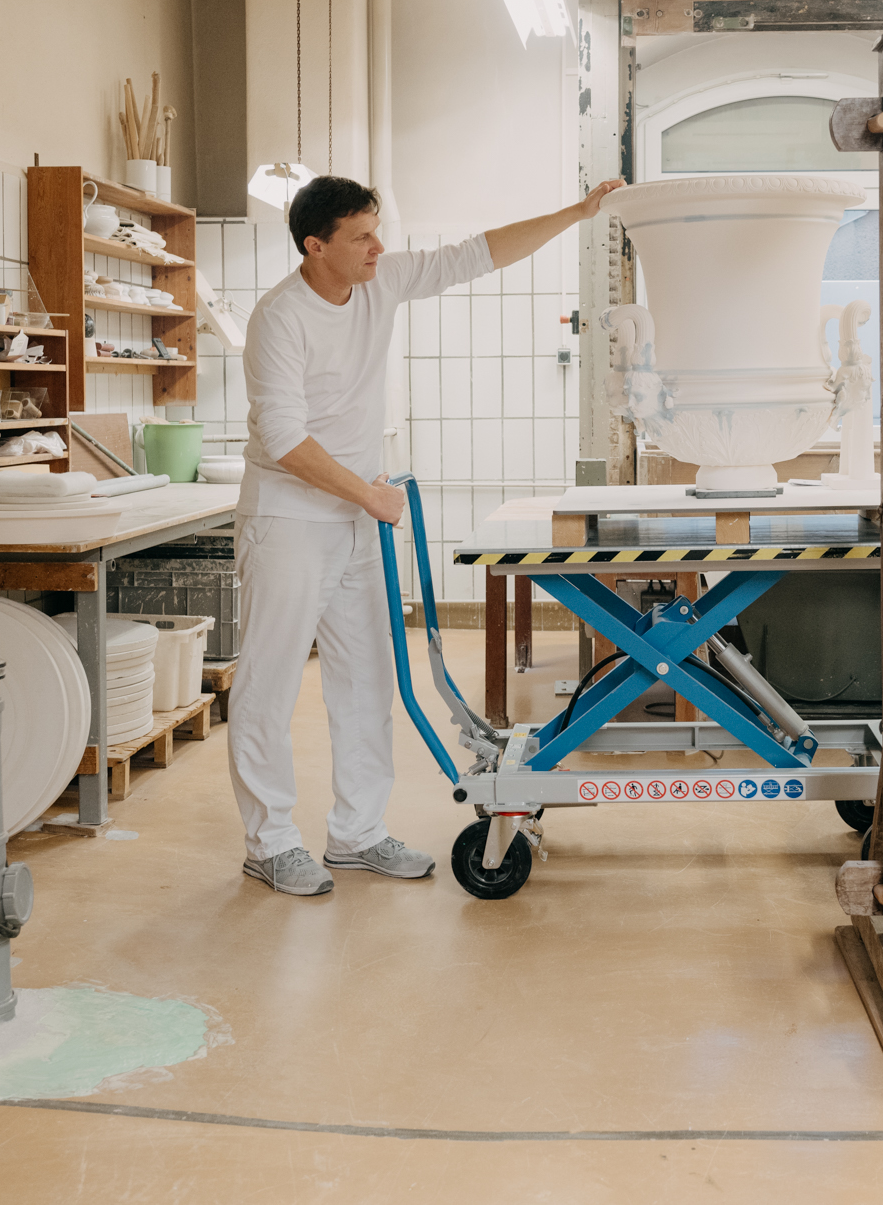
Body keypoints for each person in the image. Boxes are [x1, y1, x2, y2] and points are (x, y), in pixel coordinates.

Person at [229, 173, 625, 895]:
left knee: (368, 682)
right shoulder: (279, 319)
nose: (378, 246)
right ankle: (270, 842)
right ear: (316, 246)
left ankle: (357, 833)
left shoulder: (379, 281)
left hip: (357, 518)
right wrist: (368, 493)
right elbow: (283, 438)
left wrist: (579, 210)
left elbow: (479, 253)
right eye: (361, 236)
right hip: (288, 521)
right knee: (269, 684)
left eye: (377, 231)